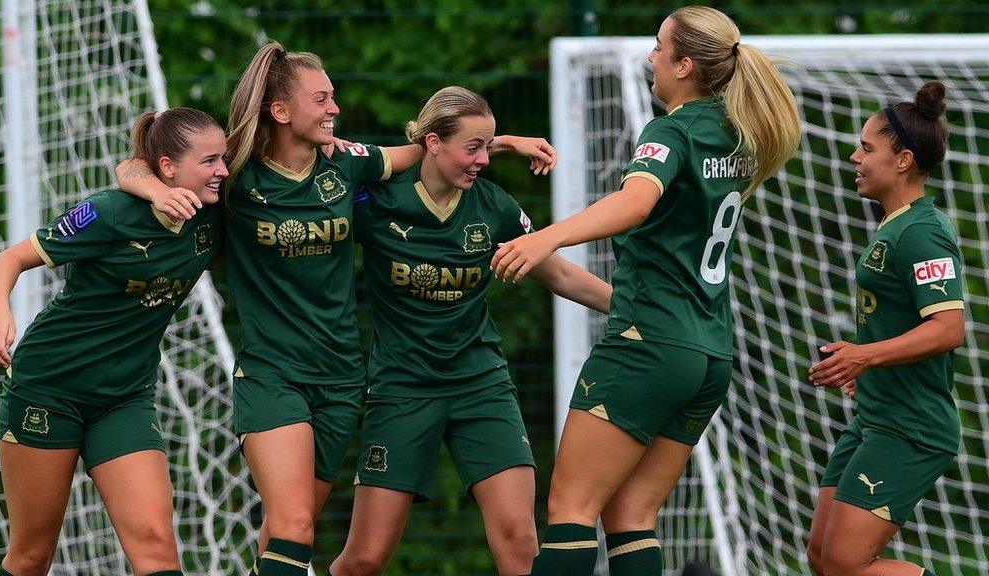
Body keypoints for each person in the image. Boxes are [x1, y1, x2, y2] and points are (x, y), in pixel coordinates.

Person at [115, 42, 557, 576]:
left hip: (342, 378)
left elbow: (425, 148)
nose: (335, 109)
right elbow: (144, 162)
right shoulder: (234, 171)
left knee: (289, 531)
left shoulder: (348, 165)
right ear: (280, 112)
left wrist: (502, 142)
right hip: (273, 373)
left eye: (334, 98)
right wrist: (152, 190)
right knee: (295, 527)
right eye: (321, 99)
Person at [491, 6, 800, 576]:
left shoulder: (673, 129)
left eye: (660, 47)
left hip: (648, 345)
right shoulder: (736, 135)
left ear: (685, 65)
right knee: (631, 516)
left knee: (570, 509)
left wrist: (548, 239)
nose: (649, 57)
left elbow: (636, 203)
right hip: (708, 352)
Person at [327, 86, 611, 576]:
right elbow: (318, 168)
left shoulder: (494, 207)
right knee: (365, 559)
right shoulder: (375, 198)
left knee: (521, 541)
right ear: (432, 143)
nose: (482, 159)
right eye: (473, 147)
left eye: (488, 146)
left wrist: (636, 312)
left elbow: (559, 273)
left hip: (481, 383)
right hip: (403, 387)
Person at [0, 107, 227, 576]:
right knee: (31, 557)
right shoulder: (109, 211)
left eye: (225, 159)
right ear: (169, 167)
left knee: (157, 549)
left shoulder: (211, 217)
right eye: (210, 160)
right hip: (48, 390)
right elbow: (9, 260)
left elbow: (136, 165)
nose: (223, 171)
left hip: (124, 400)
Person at [806, 81, 964, 576]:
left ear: (902, 161)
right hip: (876, 418)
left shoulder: (921, 231)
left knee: (846, 563)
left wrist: (866, 356)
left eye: (867, 148)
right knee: (823, 560)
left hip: (912, 427)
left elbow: (947, 329)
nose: (854, 157)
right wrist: (866, 362)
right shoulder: (894, 225)